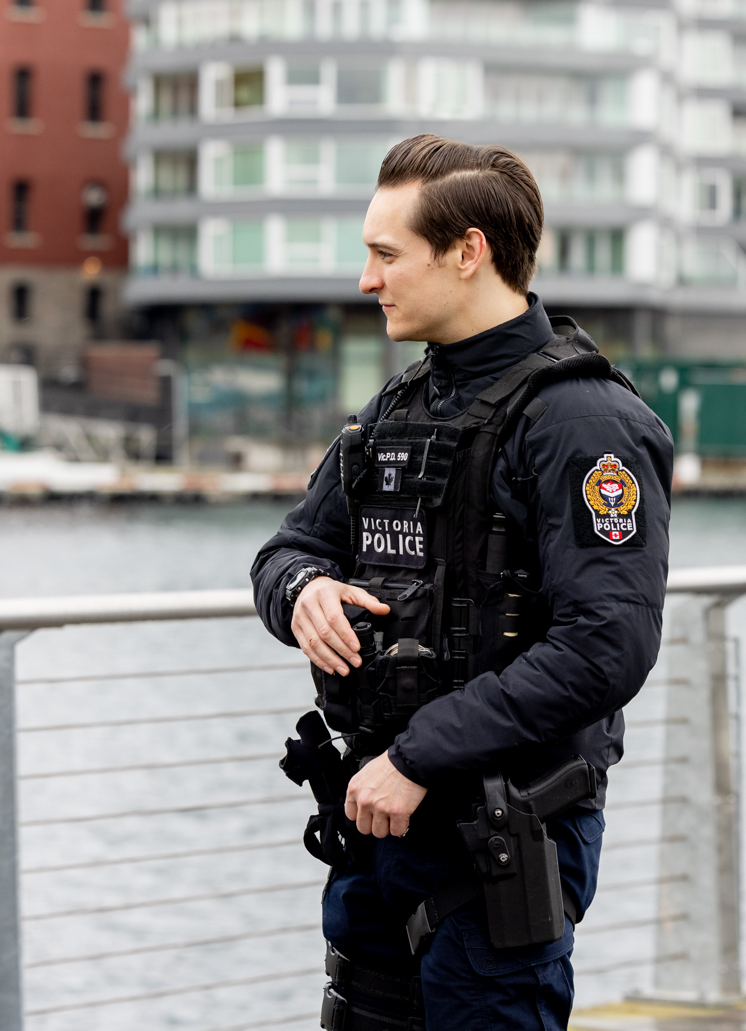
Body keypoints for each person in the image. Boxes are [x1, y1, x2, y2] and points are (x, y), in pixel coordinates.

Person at [253, 136, 671, 1031]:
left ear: (467, 251)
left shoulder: (585, 423)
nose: (367, 279)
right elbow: (287, 549)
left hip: (499, 841)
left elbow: (607, 646)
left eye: (386, 253)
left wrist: (418, 757)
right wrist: (304, 592)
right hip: (377, 828)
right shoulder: (397, 408)